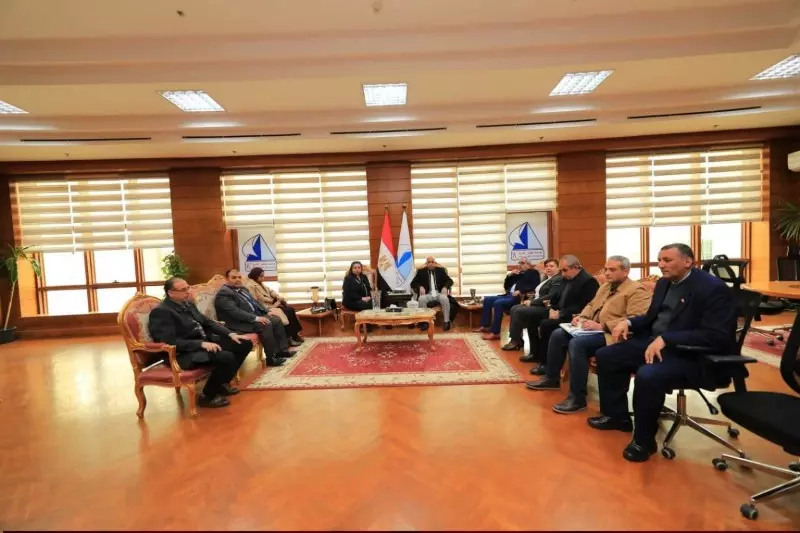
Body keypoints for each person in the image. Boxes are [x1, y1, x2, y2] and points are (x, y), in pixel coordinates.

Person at [587, 243, 737, 463]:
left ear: (688, 262)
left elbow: (717, 335)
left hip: (693, 354)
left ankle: (644, 441)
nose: (661, 265)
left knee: (648, 375)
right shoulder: (665, 283)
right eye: (659, 260)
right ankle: (617, 416)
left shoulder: (712, 288)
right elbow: (651, 319)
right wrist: (628, 322)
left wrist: (668, 339)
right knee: (607, 355)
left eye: (667, 260)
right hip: (656, 343)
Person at [526, 255, 652, 415]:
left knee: (578, 344)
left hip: (613, 334)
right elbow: (591, 305)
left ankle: (577, 397)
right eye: (606, 269)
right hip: (594, 329)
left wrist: (602, 325)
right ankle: (552, 378)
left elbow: (636, 318)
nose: (607, 273)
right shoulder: (606, 287)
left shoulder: (636, 290)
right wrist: (581, 317)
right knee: (558, 334)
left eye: (612, 270)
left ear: (626, 271)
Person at [148, 277, 253, 409]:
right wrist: (200, 344)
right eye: (183, 289)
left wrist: (230, 334)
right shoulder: (162, 312)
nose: (188, 291)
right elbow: (168, 341)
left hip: (202, 343)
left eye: (188, 287)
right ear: (171, 293)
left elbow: (207, 322)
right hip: (182, 354)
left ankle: (221, 384)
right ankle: (207, 396)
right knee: (226, 357)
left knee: (243, 344)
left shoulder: (187, 303)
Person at [528, 255, 600, 374]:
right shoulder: (567, 278)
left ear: (576, 267)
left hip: (574, 316)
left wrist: (561, 314)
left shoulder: (588, 282)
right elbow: (557, 297)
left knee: (546, 324)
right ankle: (537, 355)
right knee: (533, 317)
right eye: (561, 270)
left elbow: (583, 306)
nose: (562, 273)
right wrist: (552, 309)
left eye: (564, 270)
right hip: (560, 311)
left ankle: (547, 364)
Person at [214, 269, 293, 367]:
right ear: (227, 279)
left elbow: (255, 302)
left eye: (239, 277)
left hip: (250, 318)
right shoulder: (224, 293)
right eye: (233, 278)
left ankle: (282, 351)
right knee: (265, 324)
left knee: (276, 320)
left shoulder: (242, 289)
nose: (237, 279)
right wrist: (256, 318)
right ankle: (271, 358)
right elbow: (235, 312)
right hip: (237, 323)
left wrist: (267, 311)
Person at [503, 258, 562, 351]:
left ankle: (515, 340)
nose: (548, 268)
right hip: (537, 303)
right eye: (547, 266)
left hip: (546, 307)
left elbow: (551, 296)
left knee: (518, 311)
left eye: (551, 266)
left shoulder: (557, 279)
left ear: (558, 268)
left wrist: (532, 302)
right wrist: (532, 299)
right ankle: (517, 339)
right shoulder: (547, 278)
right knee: (514, 308)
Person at [476, 258, 541, 340]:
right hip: (508, 295)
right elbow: (506, 286)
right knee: (487, 300)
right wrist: (510, 275)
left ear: (528, 264)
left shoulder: (533, 272)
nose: (519, 265)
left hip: (517, 297)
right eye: (519, 263)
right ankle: (485, 325)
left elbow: (535, 285)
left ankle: (495, 333)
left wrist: (521, 291)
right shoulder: (518, 274)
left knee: (498, 303)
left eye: (522, 263)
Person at [245, 267, 303, 346]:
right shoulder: (250, 285)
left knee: (290, 309)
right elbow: (255, 301)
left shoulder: (259, 283)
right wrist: (273, 303)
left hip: (272, 305)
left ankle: (295, 335)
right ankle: (289, 338)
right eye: (261, 276)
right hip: (265, 308)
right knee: (287, 312)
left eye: (263, 275)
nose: (263, 278)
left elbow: (270, 291)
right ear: (255, 276)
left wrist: (277, 296)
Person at [410, 256, 454, 331]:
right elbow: (413, 283)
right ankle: (425, 322)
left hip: (439, 293)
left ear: (435, 263)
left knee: (445, 298)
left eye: (432, 262)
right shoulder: (421, 272)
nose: (430, 264)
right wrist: (420, 286)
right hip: (428, 294)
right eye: (429, 262)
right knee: (421, 299)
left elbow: (450, 281)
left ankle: (446, 322)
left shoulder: (441, 271)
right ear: (426, 263)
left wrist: (445, 287)